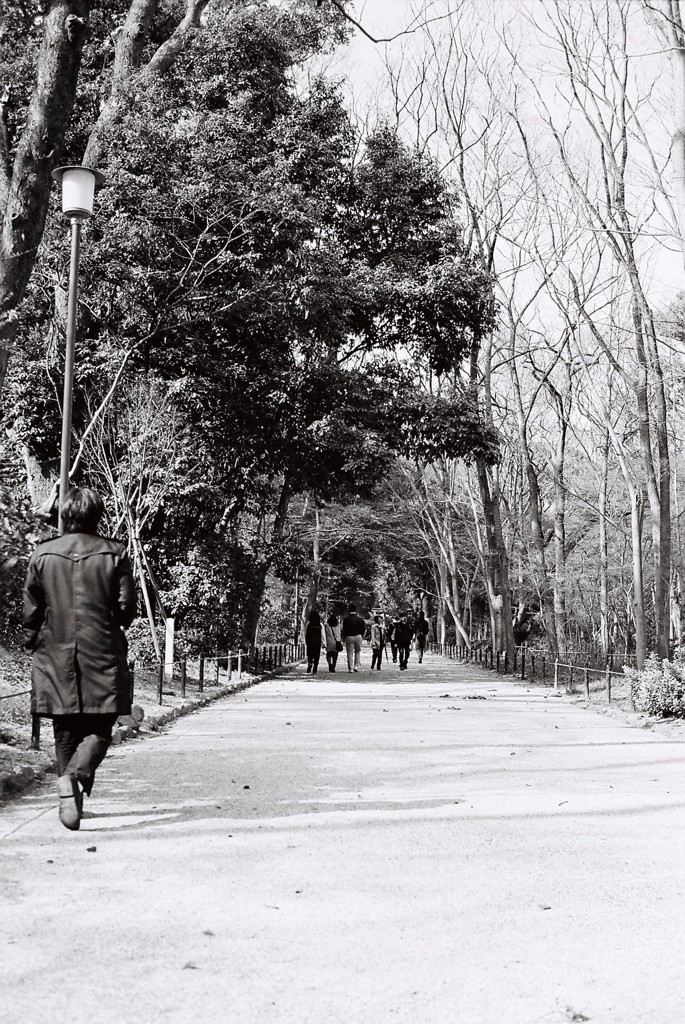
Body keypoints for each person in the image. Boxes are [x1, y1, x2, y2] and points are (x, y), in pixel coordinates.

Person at [22, 487, 136, 831]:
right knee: (101, 726)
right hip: (102, 649)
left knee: (65, 728)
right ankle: (73, 780)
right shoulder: (115, 553)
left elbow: (30, 612)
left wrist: (39, 632)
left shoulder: (42, 554)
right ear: (96, 516)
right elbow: (126, 610)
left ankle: (69, 799)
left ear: (64, 515)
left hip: (54, 651)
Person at [342, 603, 366, 672]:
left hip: (349, 637)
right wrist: (361, 635)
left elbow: (344, 629)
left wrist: (344, 637)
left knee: (350, 652)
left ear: (349, 610)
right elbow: (363, 628)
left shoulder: (346, 619)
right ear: (356, 610)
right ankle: (356, 666)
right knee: (357, 652)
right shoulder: (360, 619)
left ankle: (350, 668)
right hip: (358, 636)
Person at [305, 605, 324, 674]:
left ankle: (310, 663)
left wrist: (306, 640)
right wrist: (324, 643)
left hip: (310, 641)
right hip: (317, 642)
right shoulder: (320, 625)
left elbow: (306, 633)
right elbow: (322, 635)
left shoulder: (308, 624)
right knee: (316, 655)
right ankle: (315, 669)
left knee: (310, 654)